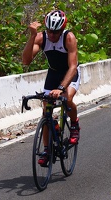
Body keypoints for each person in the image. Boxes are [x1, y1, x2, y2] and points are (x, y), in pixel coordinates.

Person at [22, 10, 81, 166]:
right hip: (53, 73)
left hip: (70, 72)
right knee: (46, 112)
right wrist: (32, 36)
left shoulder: (69, 38)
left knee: (67, 99)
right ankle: (47, 150)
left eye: (56, 32)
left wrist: (62, 87)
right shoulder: (41, 37)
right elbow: (26, 61)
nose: (52, 35)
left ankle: (74, 124)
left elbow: (73, 66)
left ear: (62, 29)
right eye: (49, 31)